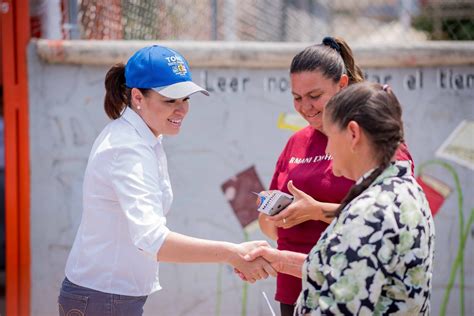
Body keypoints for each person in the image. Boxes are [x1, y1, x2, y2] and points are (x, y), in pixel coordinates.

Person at [58, 45, 275, 316]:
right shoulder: (128, 149)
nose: (182, 109)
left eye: (185, 99)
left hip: (108, 297)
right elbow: (153, 240)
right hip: (103, 299)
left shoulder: (142, 139)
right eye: (170, 100)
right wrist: (233, 254)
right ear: (137, 97)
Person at [247, 82, 435, 315]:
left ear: (353, 134)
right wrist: (280, 261)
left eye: (329, 135)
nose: (327, 147)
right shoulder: (407, 191)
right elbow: (351, 271)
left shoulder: (369, 213)